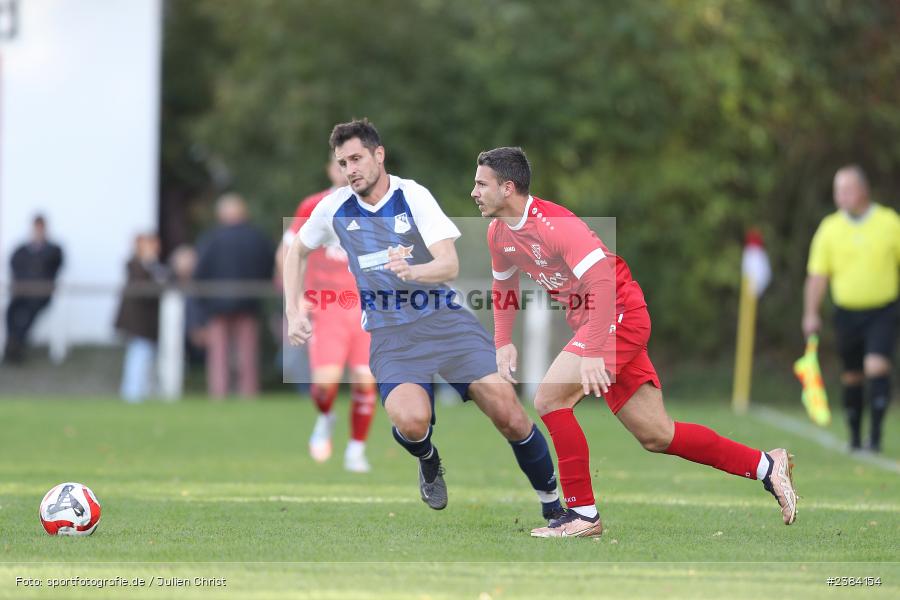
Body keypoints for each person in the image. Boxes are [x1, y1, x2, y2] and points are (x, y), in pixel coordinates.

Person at [472, 146, 798, 538]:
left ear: (508, 188)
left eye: (480, 183)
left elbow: (604, 283)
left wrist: (593, 351)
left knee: (549, 398)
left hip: (618, 315)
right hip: (597, 323)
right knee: (657, 434)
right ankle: (767, 465)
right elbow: (503, 283)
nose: (473, 191)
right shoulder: (498, 233)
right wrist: (503, 340)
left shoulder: (556, 225)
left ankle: (583, 516)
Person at [285, 119, 562, 520]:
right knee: (412, 423)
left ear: (379, 155)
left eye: (357, 158)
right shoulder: (333, 208)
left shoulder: (412, 195)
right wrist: (294, 310)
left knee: (508, 411)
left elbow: (448, 264)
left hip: (445, 322)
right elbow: (297, 251)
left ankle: (554, 507)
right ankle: (428, 457)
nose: (351, 170)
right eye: (343, 163)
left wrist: (415, 271)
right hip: (390, 335)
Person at [278, 157, 378, 473]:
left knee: (366, 381)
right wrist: (295, 297)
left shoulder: (377, 206)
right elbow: (287, 253)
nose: (346, 170)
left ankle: (356, 450)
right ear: (330, 169)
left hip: (365, 309)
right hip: (327, 307)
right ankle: (325, 416)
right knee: (325, 386)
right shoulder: (314, 205)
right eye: (340, 164)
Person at [803, 165, 900, 453]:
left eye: (846, 189)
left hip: (883, 311)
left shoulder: (889, 222)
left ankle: (876, 437)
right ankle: (856, 437)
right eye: (837, 190)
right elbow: (818, 276)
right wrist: (811, 313)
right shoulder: (830, 229)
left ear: (863, 190)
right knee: (853, 376)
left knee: (876, 366)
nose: (840, 196)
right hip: (846, 314)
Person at [194, 194, 275, 399]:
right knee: (247, 353)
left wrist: (201, 306)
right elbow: (268, 266)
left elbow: (200, 272)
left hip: (216, 303)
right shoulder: (257, 237)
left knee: (219, 354)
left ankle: (219, 393)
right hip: (249, 301)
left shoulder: (211, 238)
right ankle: (248, 393)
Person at [114, 233, 169, 402]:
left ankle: (141, 392)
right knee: (138, 355)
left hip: (148, 323)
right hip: (138, 323)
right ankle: (132, 393)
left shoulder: (152, 267)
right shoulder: (136, 266)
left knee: (145, 356)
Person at [4, 215, 64, 364]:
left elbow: (54, 268)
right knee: (10, 312)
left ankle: (16, 347)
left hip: (40, 295)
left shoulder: (53, 249)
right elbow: (14, 266)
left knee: (28, 315)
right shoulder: (22, 249)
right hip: (22, 292)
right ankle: (12, 343)